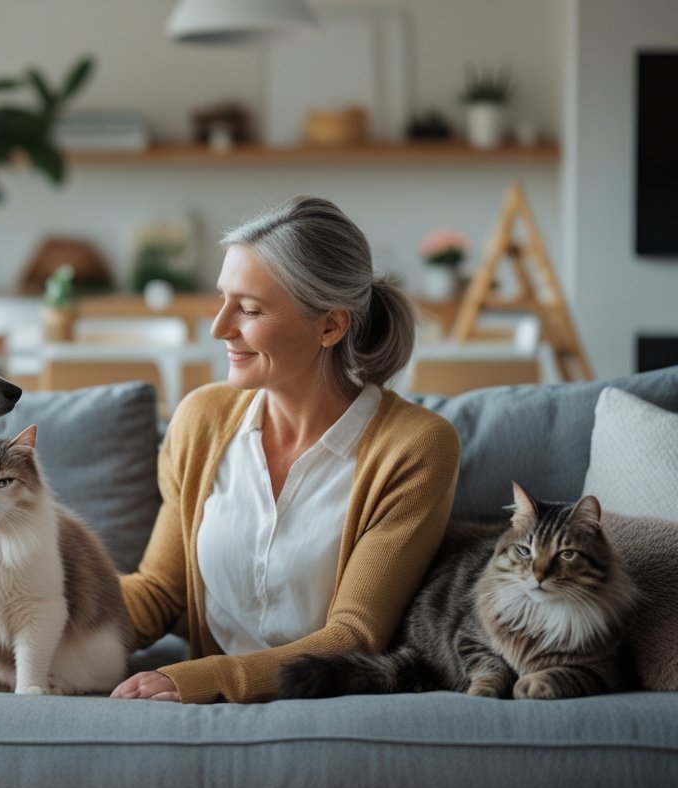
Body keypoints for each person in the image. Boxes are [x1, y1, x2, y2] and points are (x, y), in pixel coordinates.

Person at [111, 195, 461, 704]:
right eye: (223, 300)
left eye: (249, 309)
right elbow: (160, 592)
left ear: (330, 326)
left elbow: (355, 636)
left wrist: (207, 680)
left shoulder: (416, 448)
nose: (219, 328)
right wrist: (42, 615)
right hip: (197, 701)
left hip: (321, 702)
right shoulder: (201, 419)